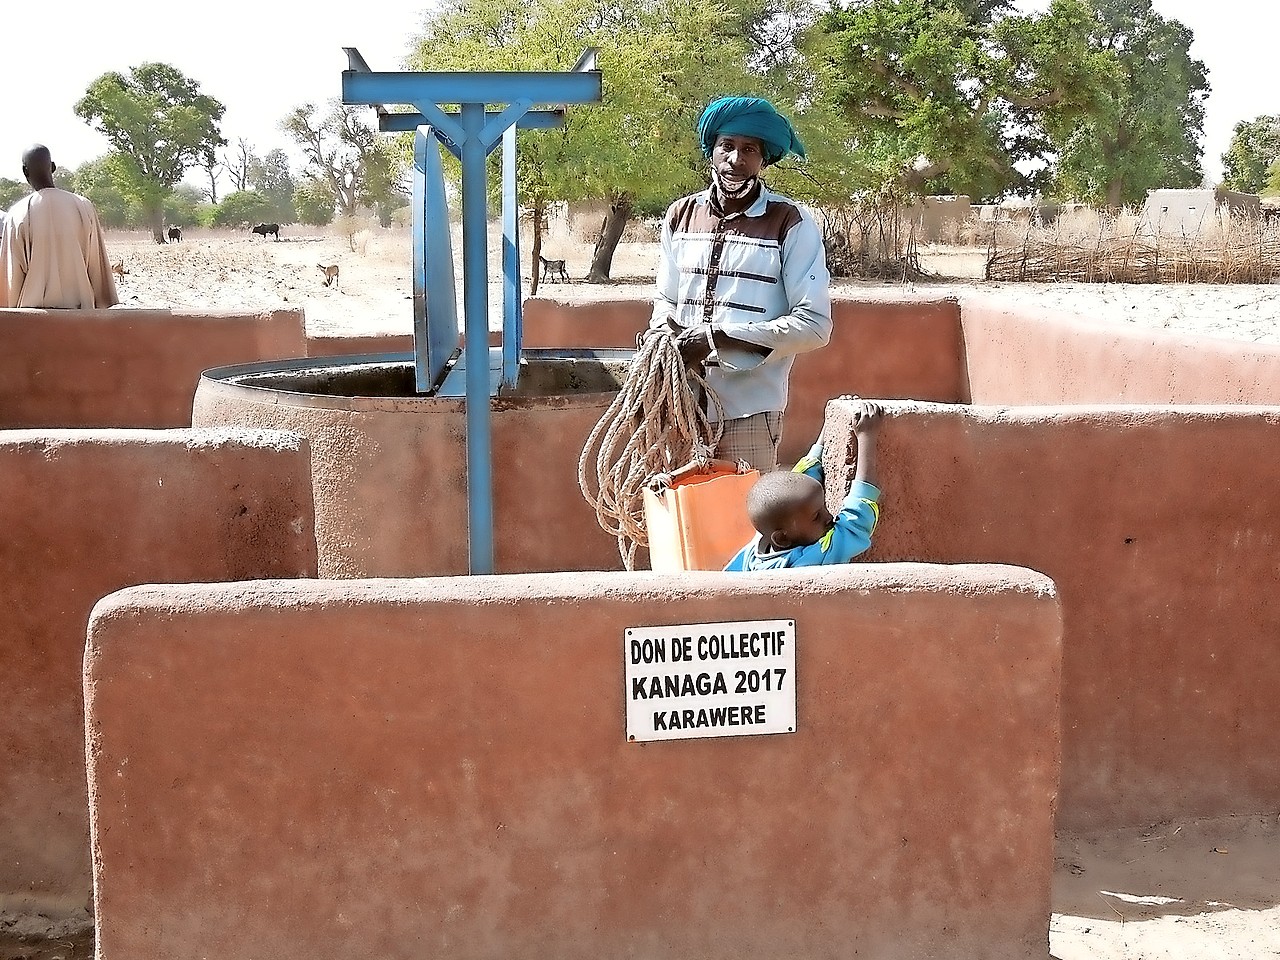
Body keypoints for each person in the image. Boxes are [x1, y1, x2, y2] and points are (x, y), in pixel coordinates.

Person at [648, 95, 832, 472]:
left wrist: (716, 338)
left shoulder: (791, 222)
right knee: (679, 523)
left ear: (764, 160)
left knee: (744, 526)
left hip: (750, 410)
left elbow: (814, 326)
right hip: (680, 406)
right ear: (711, 151)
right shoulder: (680, 215)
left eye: (749, 149)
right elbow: (666, 299)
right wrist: (663, 337)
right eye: (726, 146)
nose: (735, 159)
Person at [725, 399, 884, 570]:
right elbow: (857, 520)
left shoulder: (756, 548)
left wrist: (829, 424)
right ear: (782, 539)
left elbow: (799, 481)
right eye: (816, 516)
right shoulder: (807, 560)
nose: (829, 517)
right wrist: (867, 436)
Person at [0, 144, 118, 309]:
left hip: (34, 319)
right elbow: (96, 267)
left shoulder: (17, 214)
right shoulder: (83, 206)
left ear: (25, 171)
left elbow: (12, 278)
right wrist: (101, 306)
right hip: (80, 316)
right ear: (53, 167)